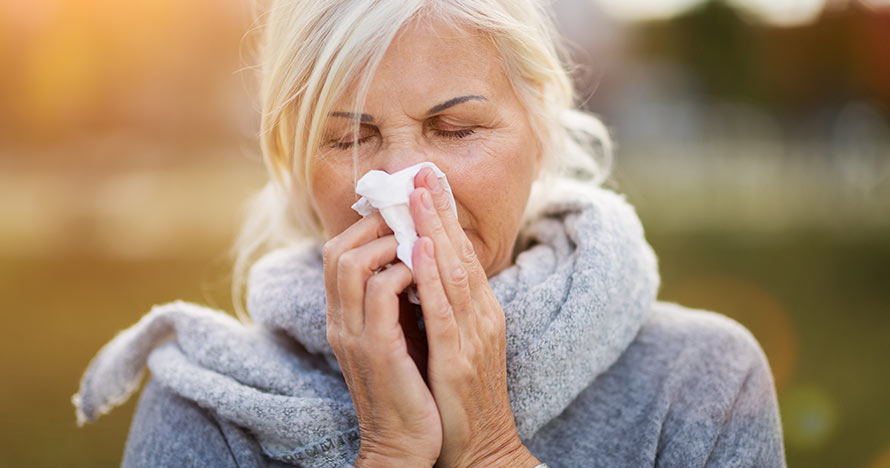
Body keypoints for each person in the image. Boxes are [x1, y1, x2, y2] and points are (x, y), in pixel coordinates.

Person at [72, 1, 786, 467]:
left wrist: (491, 449)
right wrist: (388, 452)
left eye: (455, 129)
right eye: (353, 137)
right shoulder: (206, 406)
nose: (408, 183)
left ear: (539, 133)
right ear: (295, 163)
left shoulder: (701, 384)